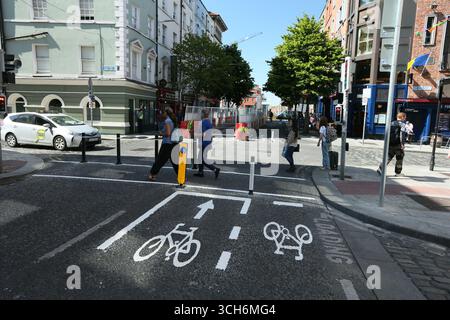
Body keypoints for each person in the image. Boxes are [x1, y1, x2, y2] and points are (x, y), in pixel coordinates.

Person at [148, 107, 179, 181]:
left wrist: (161, 133)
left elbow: (168, 133)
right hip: (174, 142)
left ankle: (153, 174)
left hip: (167, 143)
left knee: (160, 160)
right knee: (175, 161)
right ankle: (181, 175)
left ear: (166, 113)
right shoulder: (174, 120)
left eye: (163, 112)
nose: (162, 114)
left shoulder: (167, 121)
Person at [378, 112, 408, 177]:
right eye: (405, 117)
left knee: (389, 156)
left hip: (390, 143)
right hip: (398, 145)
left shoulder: (391, 123)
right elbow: (402, 135)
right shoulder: (402, 124)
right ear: (402, 117)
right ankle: (398, 172)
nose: (405, 118)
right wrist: (402, 144)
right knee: (400, 158)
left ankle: (380, 168)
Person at [194, 110, 221, 179]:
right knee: (201, 157)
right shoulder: (209, 122)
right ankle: (200, 172)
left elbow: (201, 134)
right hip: (208, 142)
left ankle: (215, 169)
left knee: (202, 159)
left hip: (204, 143)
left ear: (203, 115)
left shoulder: (202, 123)